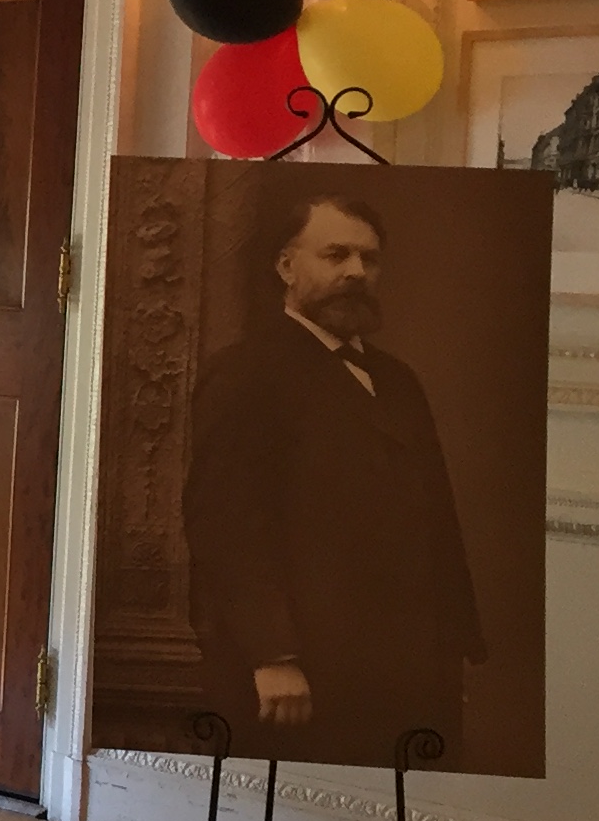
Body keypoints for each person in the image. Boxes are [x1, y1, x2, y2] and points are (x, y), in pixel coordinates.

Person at [179, 190, 485, 764]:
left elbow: (435, 519)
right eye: (336, 254)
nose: (356, 272)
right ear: (286, 266)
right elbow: (225, 524)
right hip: (308, 673)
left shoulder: (398, 381)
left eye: (369, 259)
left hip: (408, 668)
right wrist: (273, 655)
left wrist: (453, 650)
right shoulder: (246, 373)